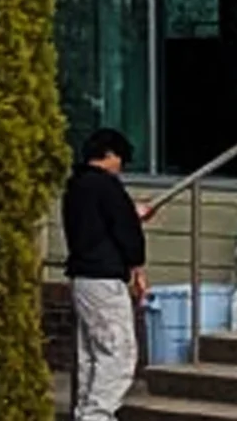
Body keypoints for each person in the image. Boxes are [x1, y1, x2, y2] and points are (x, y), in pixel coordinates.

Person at [62, 128, 153, 421]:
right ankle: (97, 416)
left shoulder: (75, 186)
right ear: (110, 154)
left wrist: (129, 211)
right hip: (105, 279)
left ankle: (85, 412)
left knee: (91, 354)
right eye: (120, 160)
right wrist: (138, 268)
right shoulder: (107, 187)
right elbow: (126, 231)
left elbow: (102, 223)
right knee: (119, 353)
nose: (120, 167)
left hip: (82, 279)